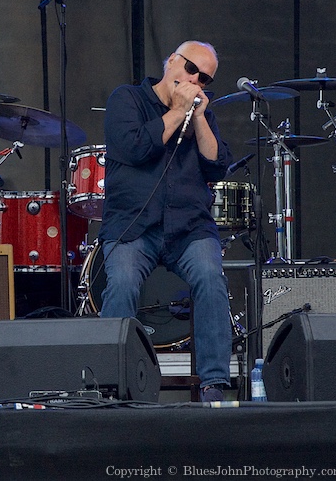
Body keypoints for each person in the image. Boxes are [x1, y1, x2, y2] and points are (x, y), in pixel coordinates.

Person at [97, 41, 233, 402]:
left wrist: (198, 117)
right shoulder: (126, 99)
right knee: (122, 283)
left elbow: (216, 166)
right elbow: (135, 147)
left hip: (189, 227)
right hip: (133, 226)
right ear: (171, 60)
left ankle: (214, 384)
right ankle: (112, 383)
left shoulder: (201, 112)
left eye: (204, 79)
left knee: (211, 278)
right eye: (191, 69)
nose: (196, 81)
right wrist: (177, 111)